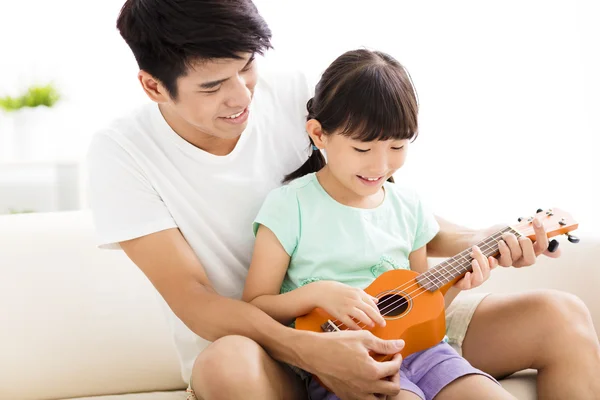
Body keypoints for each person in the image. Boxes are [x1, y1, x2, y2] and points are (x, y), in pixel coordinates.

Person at [86, 1, 600, 399]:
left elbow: (376, 203)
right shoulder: (122, 154)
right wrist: (313, 351)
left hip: (387, 316)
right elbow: (197, 302)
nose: (242, 96)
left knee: (563, 316)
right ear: (153, 86)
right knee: (228, 367)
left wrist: (477, 239)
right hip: (264, 344)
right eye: (214, 85)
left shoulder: (294, 96)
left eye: (246, 67)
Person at [242, 48, 515, 400]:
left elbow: (419, 307)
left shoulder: (409, 206)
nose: (380, 166)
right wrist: (315, 293)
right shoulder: (289, 206)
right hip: (347, 362)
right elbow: (255, 307)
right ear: (319, 134)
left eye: (397, 146)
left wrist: (458, 285)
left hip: (428, 353)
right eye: (362, 149)